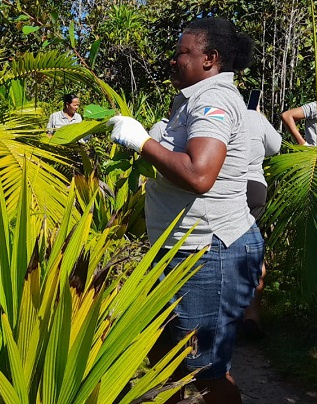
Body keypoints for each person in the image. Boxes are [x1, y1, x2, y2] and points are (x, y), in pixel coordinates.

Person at [108, 17, 261, 403]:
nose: (174, 60)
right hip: (183, 249)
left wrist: (142, 143)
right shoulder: (193, 98)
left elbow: (199, 175)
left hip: (209, 253)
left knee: (206, 372)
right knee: (169, 360)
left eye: (182, 53)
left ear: (209, 58)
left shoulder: (213, 99)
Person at [240, 110, 282, 339]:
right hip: (254, 185)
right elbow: (275, 147)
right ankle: (252, 316)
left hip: (224, 184)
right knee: (252, 245)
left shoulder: (211, 109)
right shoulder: (254, 116)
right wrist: (261, 118)